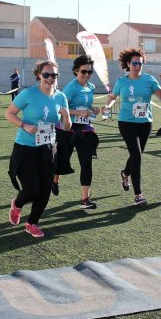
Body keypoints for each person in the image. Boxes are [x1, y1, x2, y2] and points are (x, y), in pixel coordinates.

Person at [5, 60, 71, 238]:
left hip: (49, 147)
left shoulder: (61, 97)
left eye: (54, 75)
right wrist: (24, 125)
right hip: (26, 148)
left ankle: (32, 223)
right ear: (39, 75)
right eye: (46, 75)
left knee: (45, 189)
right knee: (32, 190)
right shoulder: (28, 93)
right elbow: (9, 113)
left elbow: (66, 127)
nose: (50, 78)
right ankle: (17, 204)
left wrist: (66, 117)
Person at [103, 47, 161, 206]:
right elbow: (113, 96)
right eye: (135, 63)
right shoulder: (122, 81)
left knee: (137, 155)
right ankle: (138, 195)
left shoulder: (149, 80)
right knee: (137, 156)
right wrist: (108, 105)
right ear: (128, 64)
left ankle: (125, 173)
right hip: (126, 122)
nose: (137, 66)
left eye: (140, 64)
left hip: (145, 123)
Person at [53, 55, 101, 209]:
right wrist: (78, 113)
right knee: (62, 160)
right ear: (76, 71)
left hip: (85, 130)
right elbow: (60, 109)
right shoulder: (71, 87)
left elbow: (86, 107)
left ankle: (84, 200)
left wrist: (93, 110)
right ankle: (54, 180)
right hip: (66, 128)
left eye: (89, 72)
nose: (86, 75)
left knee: (86, 163)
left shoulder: (91, 87)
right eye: (83, 72)